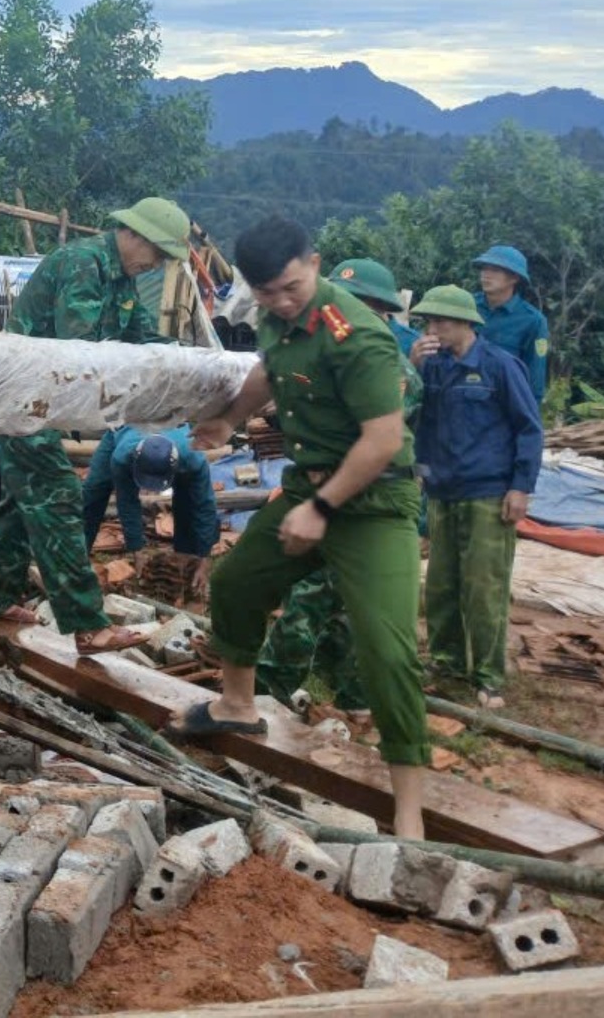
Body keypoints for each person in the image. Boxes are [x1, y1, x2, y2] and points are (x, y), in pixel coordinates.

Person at [179, 216, 429, 838]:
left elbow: (383, 440)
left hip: (373, 506)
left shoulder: (360, 339)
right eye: (267, 294)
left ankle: (410, 808)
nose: (281, 302)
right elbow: (270, 368)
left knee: (386, 650)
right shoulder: (273, 313)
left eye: (291, 288)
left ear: (313, 264)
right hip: (307, 487)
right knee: (237, 583)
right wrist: (229, 420)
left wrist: (320, 511)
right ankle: (238, 706)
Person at [0, 196, 194, 654]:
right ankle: (88, 624)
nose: (157, 266)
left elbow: (143, 338)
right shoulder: (84, 264)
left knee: (21, 503)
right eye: (158, 254)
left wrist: (198, 363)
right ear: (133, 235)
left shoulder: (122, 281)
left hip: (45, 402)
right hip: (21, 396)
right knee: (57, 494)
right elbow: (79, 345)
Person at [257, 257, 425, 715]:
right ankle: (353, 693)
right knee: (345, 600)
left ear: (377, 310)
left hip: (358, 502)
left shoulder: (391, 371)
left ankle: (268, 690)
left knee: (310, 595)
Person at [411, 285, 542, 708]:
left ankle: (488, 675)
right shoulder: (430, 368)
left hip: (489, 491)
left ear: (466, 323)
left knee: (484, 586)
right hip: (442, 491)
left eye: (441, 322)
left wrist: (521, 486)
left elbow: (529, 429)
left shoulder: (500, 366)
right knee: (442, 584)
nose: (433, 329)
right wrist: (411, 366)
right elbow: (411, 413)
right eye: (429, 322)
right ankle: (447, 664)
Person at [80, 426, 218, 596]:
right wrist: (136, 548)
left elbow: (204, 506)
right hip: (122, 431)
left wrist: (205, 557)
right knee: (94, 491)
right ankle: (77, 560)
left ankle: (186, 563)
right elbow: (127, 501)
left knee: (187, 500)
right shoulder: (122, 458)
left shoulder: (193, 459)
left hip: (177, 444)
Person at [464, 244, 549, 404]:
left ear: (514, 277)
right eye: (484, 268)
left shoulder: (533, 321)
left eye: (495, 270)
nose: (486, 275)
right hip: (461, 400)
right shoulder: (466, 306)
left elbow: (534, 381)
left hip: (502, 407)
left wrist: (527, 420)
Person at [332, 258, 419, 356]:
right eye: (338, 296)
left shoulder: (412, 345)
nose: (341, 303)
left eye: (354, 298)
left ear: (382, 303)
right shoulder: (330, 333)